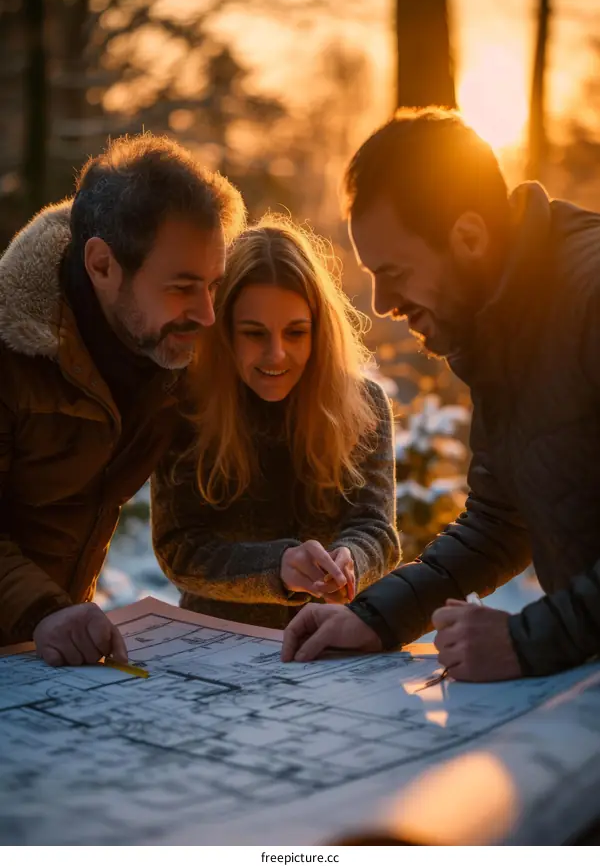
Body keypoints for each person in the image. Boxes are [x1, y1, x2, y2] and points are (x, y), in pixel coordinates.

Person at [282, 106, 600, 680]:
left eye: (395, 272)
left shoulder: (589, 295)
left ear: (470, 236)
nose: (381, 303)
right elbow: (499, 522)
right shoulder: (503, 321)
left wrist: (530, 642)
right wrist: (377, 617)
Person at [0, 133, 245, 665]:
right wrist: (43, 612)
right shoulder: (10, 353)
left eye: (213, 284)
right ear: (102, 265)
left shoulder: (171, 350)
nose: (206, 313)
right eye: (182, 287)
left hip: (51, 654)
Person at [151, 220, 400, 628]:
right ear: (224, 332)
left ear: (320, 333)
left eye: (296, 333)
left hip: (335, 642)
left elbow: (376, 530)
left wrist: (351, 559)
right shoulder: (185, 410)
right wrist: (276, 567)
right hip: (217, 647)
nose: (276, 355)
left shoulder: (364, 405)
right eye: (254, 333)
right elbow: (179, 549)